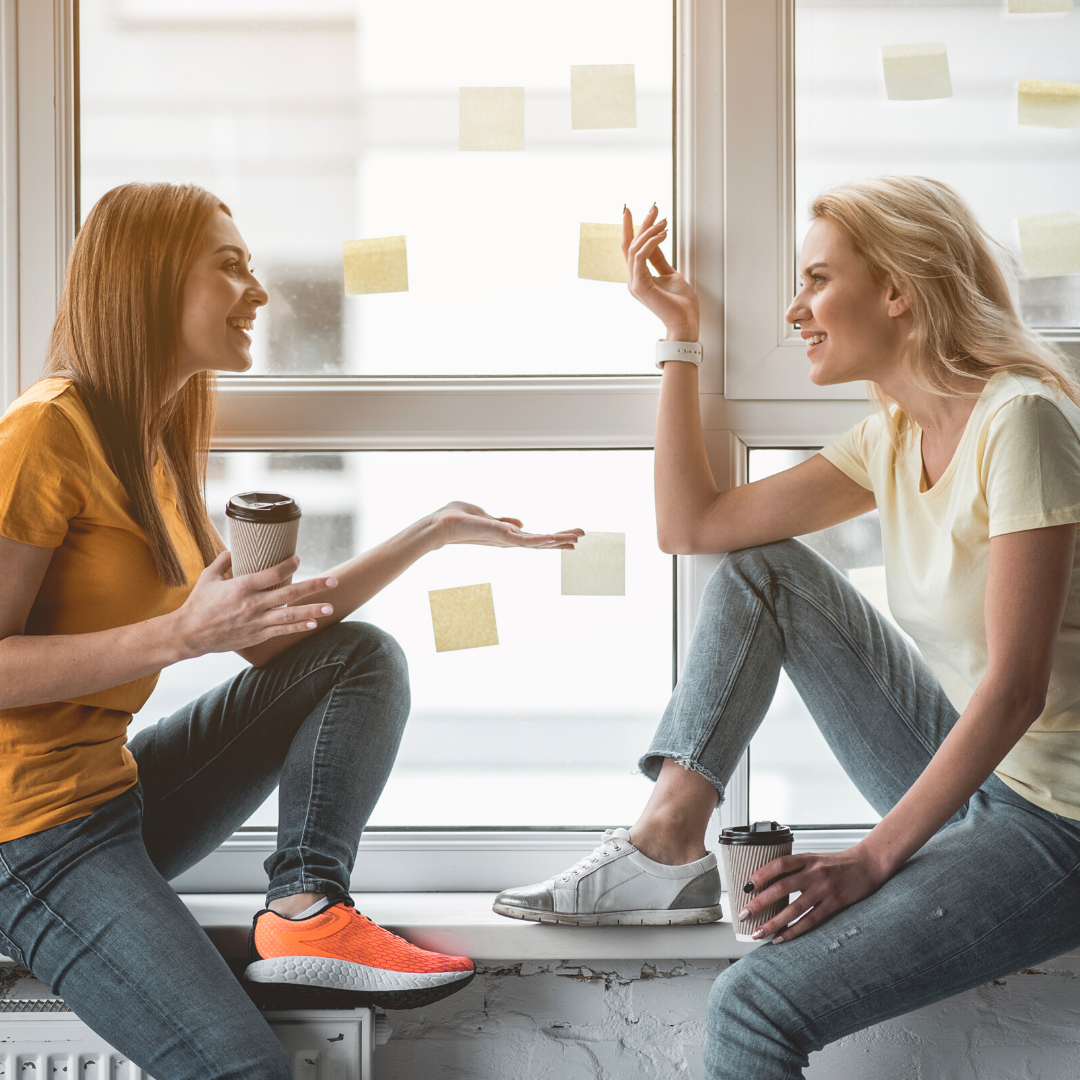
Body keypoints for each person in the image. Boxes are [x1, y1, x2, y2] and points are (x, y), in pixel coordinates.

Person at [493, 176, 1080, 1078]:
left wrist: (871, 861)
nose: (796, 309)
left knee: (754, 1004)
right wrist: (678, 337)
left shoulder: (1022, 423)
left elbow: (1014, 689)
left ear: (898, 290)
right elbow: (691, 527)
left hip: (1057, 823)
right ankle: (668, 841)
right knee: (765, 570)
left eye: (816, 280)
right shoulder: (890, 434)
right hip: (984, 783)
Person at [0, 181, 582, 1080]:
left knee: (356, 659)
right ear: (148, 279)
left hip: (113, 800)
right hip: (26, 836)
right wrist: (176, 638)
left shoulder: (149, 445)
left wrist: (432, 531)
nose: (259, 292)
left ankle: (306, 907)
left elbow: (278, 639)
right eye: (229, 265)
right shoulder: (44, 432)